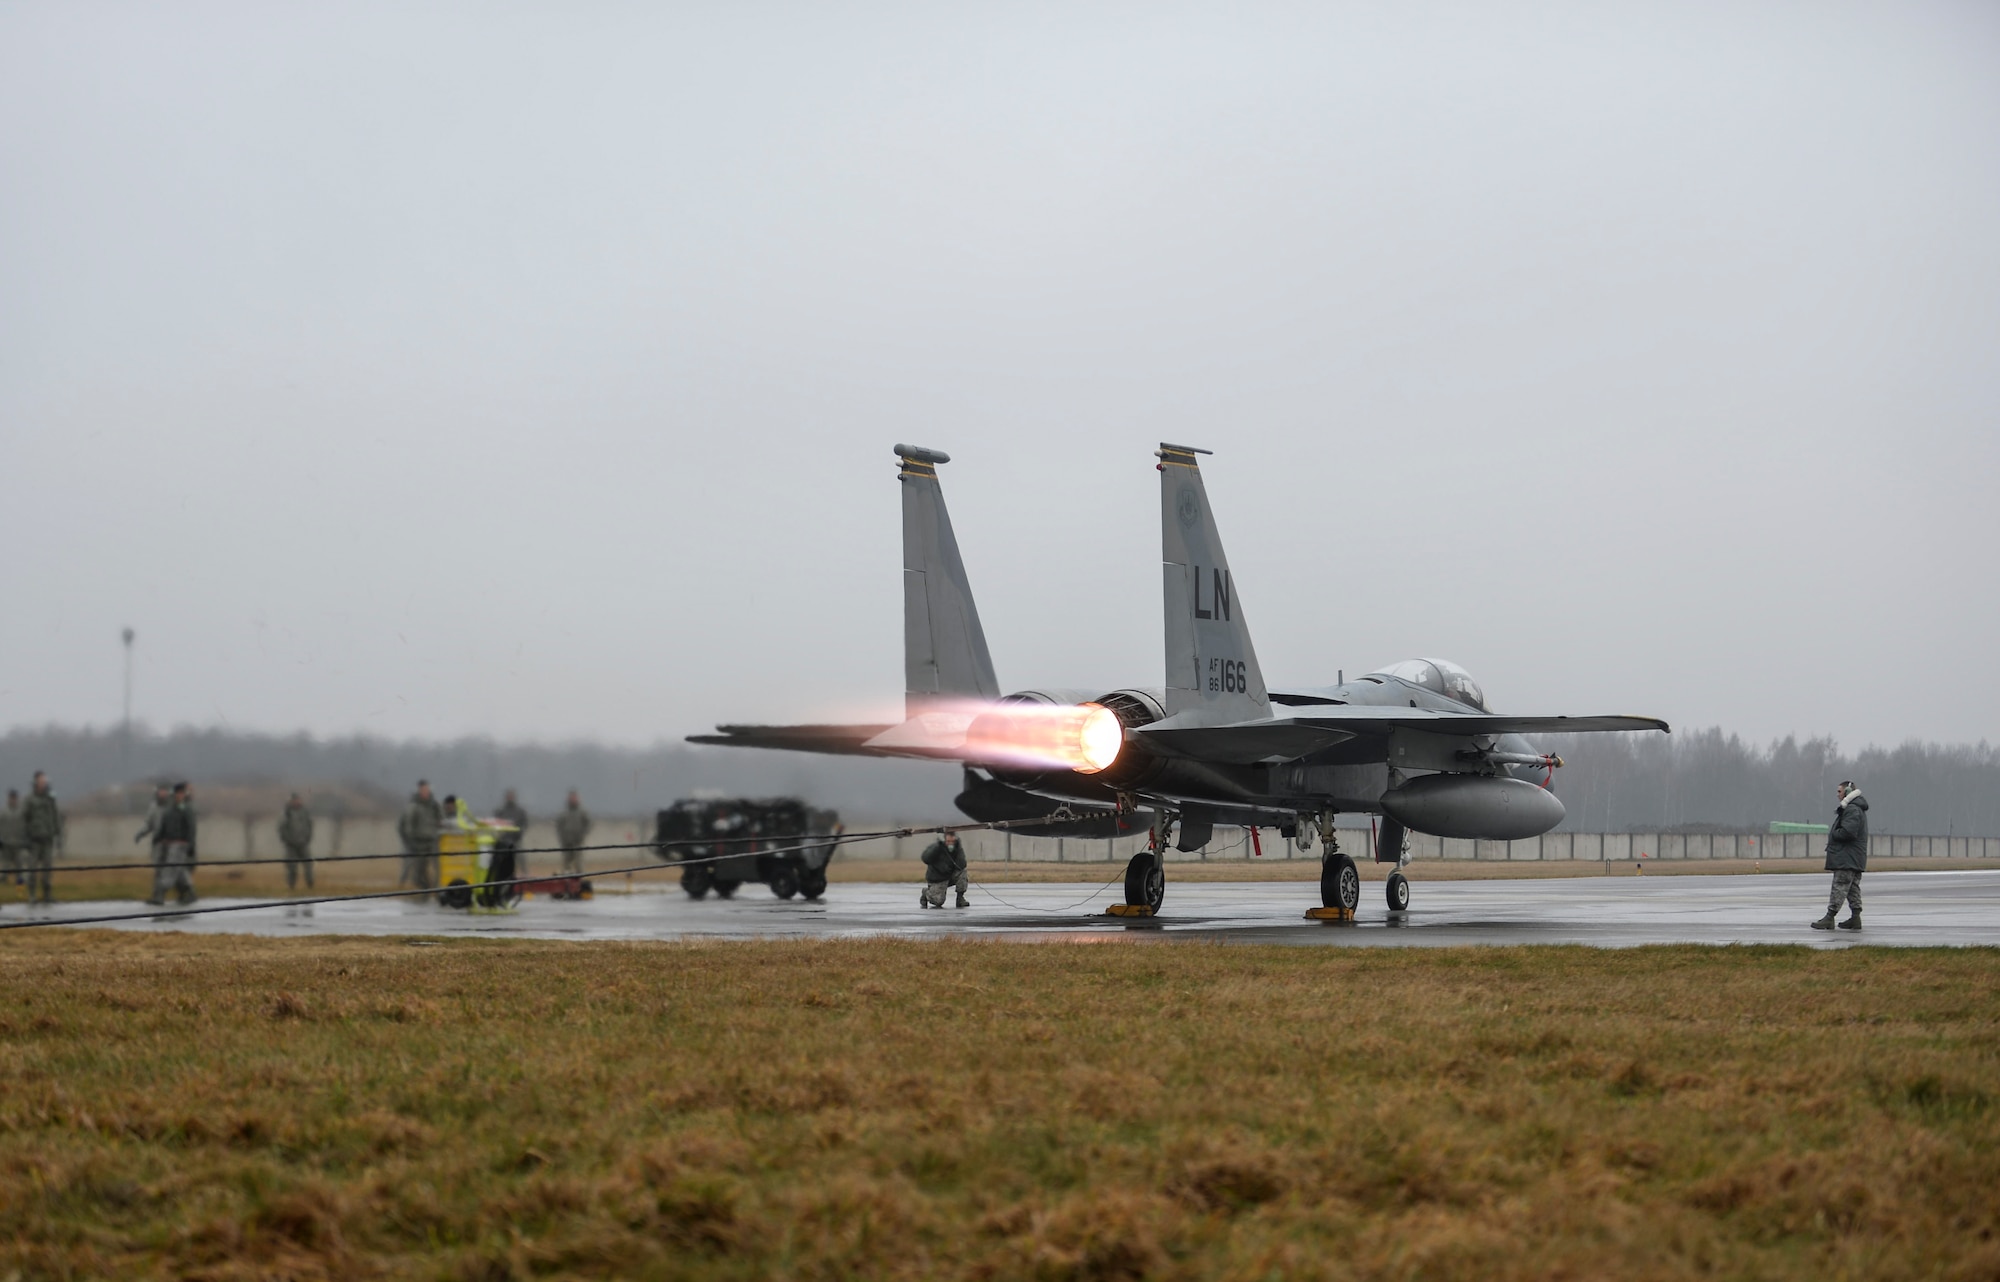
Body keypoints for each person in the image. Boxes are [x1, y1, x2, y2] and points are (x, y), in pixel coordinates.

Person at [1812, 780, 1869, 931]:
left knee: (1840, 886)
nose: (1837, 794)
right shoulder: (1856, 808)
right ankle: (1855, 918)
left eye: (1839, 791)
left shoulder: (1852, 809)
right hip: (1854, 857)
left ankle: (1829, 917)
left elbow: (1848, 832)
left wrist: (1834, 834)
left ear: (1848, 792)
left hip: (1847, 857)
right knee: (1852, 889)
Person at [151, 782, 199, 906]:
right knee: (180, 870)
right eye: (177, 793)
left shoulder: (186, 809)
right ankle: (189, 892)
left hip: (180, 844)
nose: (179, 796)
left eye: (181, 793)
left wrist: (191, 845)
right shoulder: (169, 809)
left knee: (171, 869)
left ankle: (160, 893)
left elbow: (191, 828)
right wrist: (158, 838)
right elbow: (163, 825)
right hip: (167, 844)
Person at [21, 772, 63, 907]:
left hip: (47, 838)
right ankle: (32, 895)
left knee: (47, 868)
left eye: (45, 781)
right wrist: (25, 837)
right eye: (41, 781)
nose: (44, 783)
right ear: (36, 782)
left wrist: (58, 834)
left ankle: (47, 895)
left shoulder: (50, 798)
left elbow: (55, 816)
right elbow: (24, 819)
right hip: (34, 840)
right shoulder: (29, 799)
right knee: (32, 868)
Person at [397, 780, 442, 897]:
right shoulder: (413, 807)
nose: (425, 792)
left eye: (427, 789)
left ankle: (439, 891)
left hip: (433, 841)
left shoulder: (435, 805)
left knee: (440, 867)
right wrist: (411, 842)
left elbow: (442, 820)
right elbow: (408, 827)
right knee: (418, 874)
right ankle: (425, 889)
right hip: (418, 844)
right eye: (423, 790)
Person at [134, 783, 171, 895]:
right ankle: (158, 894)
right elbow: (149, 824)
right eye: (161, 791)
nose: (163, 793)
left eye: (165, 791)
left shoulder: (173, 806)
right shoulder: (154, 807)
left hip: (172, 843)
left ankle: (186, 893)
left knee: (175, 870)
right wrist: (140, 834)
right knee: (158, 870)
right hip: (158, 843)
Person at [919, 830, 969, 909]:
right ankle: (926, 893)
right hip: (938, 877)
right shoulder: (936, 848)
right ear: (944, 841)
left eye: (952, 841)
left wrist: (958, 849)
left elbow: (962, 865)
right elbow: (925, 858)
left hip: (950, 876)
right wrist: (937, 849)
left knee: (962, 872)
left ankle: (960, 898)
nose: (950, 843)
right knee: (938, 901)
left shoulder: (957, 848)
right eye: (948, 841)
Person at [278, 792, 315, 890]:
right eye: (294, 800)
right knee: (292, 867)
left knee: (308, 865)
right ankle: (291, 886)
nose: (297, 802)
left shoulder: (305, 812)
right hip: (291, 845)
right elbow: (282, 828)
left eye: (298, 800)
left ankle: (310, 885)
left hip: (303, 843)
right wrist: (288, 840)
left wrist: (307, 837)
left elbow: (310, 825)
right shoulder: (287, 813)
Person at [554, 790, 592, 876]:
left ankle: (580, 880)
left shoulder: (582, 812)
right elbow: (558, 826)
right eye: (571, 798)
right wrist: (562, 837)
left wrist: (582, 834)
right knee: (566, 863)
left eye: (575, 798)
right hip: (566, 842)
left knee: (579, 863)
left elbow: (588, 824)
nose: (573, 800)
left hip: (578, 841)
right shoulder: (564, 813)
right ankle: (566, 879)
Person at [494, 788, 528, 876]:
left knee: (520, 857)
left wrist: (519, 832)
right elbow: (496, 823)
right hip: (504, 840)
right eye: (509, 796)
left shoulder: (520, 811)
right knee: (502, 859)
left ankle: (525, 874)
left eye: (511, 796)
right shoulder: (500, 811)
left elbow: (524, 823)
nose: (510, 798)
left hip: (516, 839)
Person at [0, 789, 23, 891]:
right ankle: (3, 881)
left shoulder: (20, 812)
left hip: (18, 843)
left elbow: (24, 827)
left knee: (19, 864)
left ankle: (19, 882)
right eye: (12, 798)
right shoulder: (3, 813)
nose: (13, 800)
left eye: (15, 798)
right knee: (5, 864)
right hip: (6, 843)